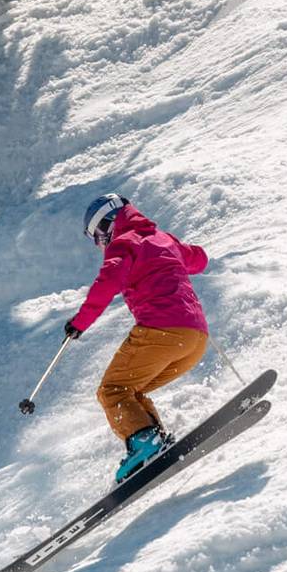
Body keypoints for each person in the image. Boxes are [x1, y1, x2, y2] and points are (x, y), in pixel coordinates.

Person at [63, 194, 210, 484]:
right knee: (132, 391)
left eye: (97, 237)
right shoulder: (161, 238)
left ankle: (146, 443)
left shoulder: (124, 243)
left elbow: (108, 282)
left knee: (113, 390)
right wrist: (173, 254)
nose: (99, 245)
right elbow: (200, 259)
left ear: (107, 225)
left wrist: (79, 323)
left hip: (161, 332)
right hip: (195, 338)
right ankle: (153, 442)